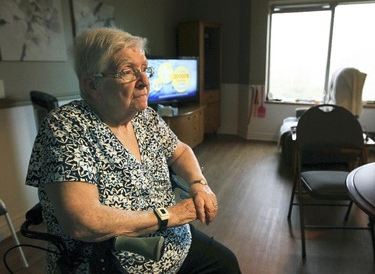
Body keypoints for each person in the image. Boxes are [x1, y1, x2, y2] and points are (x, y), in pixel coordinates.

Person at [26, 27, 241, 273]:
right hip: (114, 261)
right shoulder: (66, 127)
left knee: (227, 264)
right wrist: (169, 215)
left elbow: (180, 151)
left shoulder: (145, 117)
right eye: (127, 72)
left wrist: (198, 184)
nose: (145, 82)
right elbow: (82, 222)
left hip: (174, 241)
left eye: (144, 69)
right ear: (92, 84)